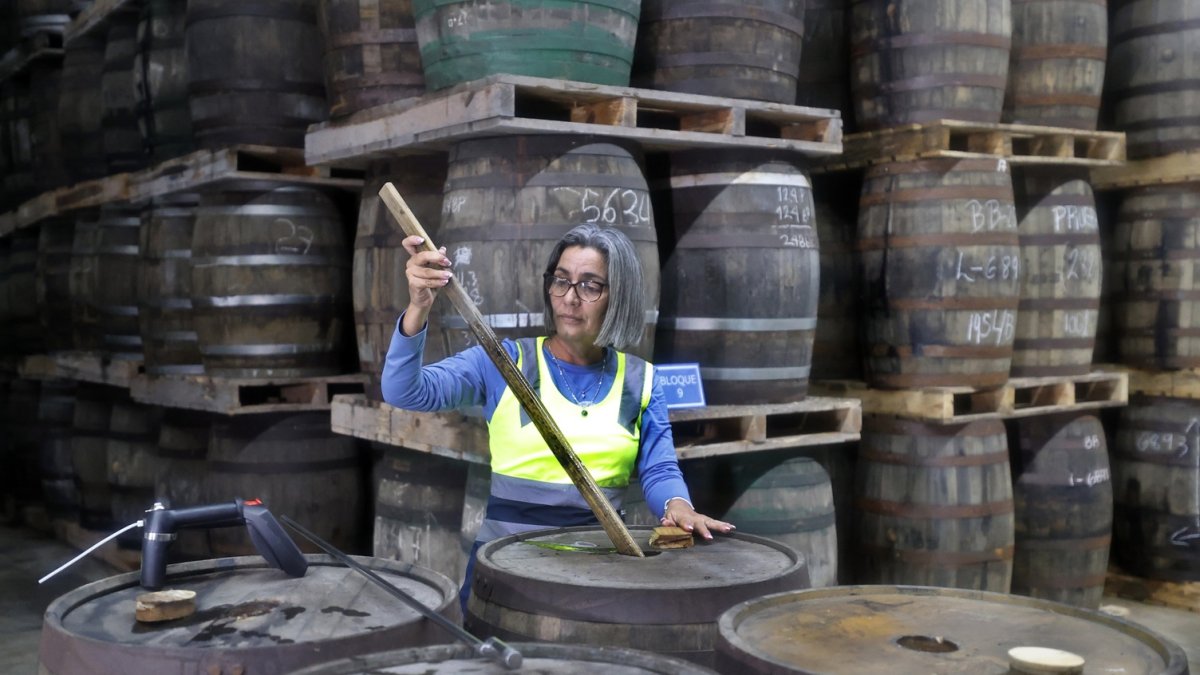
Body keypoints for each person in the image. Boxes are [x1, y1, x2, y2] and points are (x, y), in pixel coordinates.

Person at [382, 223, 734, 611]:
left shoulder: (641, 380)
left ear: (620, 296)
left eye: (590, 286)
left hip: (598, 577)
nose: (569, 298)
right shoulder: (504, 363)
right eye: (561, 281)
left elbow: (659, 469)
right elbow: (404, 391)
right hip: (506, 576)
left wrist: (678, 506)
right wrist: (419, 306)